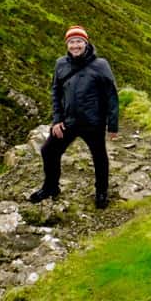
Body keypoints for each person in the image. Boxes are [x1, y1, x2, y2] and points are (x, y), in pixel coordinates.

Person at [29, 25, 120, 209]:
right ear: (67, 44)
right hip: (68, 121)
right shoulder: (61, 64)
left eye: (79, 41)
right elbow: (55, 92)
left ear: (86, 43)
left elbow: (111, 95)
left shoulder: (100, 65)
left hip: (93, 123)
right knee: (48, 151)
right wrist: (57, 120)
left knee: (99, 157)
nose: (75, 45)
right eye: (72, 42)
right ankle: (51, 188)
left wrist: (112, 125)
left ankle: (101, 193)